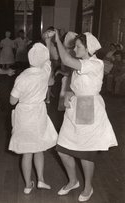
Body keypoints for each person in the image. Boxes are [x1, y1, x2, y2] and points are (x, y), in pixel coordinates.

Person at [53, 30, 118, 202]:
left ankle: (88, 187)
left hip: (87, 106)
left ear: (89, 49)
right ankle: (73, 181)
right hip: (75, 106)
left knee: (85, 152)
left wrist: (57, 39)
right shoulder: (81, 63)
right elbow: (76, 86)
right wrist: (68, 94)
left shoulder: (95, 64)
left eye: (79, 47)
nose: (75, 49)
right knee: (62, 148)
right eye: (75, 46)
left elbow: (66, 60)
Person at [9, 43, 58, 194]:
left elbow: (12, 101)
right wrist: (48, 43)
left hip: (24, 114)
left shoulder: (22, 77)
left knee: (27, 152)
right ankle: (41, 179)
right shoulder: (44, 73)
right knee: (39, 148)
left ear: (29, 57)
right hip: (39, 112)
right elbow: (48, 62)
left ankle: (27, 185)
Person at [42, 26, 59, 103]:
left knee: (48, 81)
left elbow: (55, 57)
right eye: (48, 32)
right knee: (47, 81)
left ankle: (47, 97)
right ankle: (47, 95)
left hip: (48, 65)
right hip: (43, 65)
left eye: (50, 32)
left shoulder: (51, 45)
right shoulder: (43, 43)